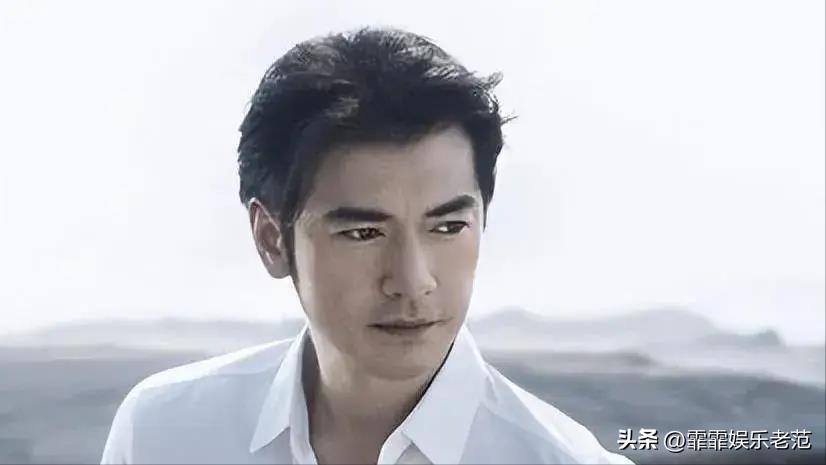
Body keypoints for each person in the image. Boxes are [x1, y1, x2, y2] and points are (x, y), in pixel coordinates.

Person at [101, 27, 633, 464]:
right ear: (271, 239)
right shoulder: (163, 433)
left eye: (448, 227)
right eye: (363, 233)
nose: (413, 281)